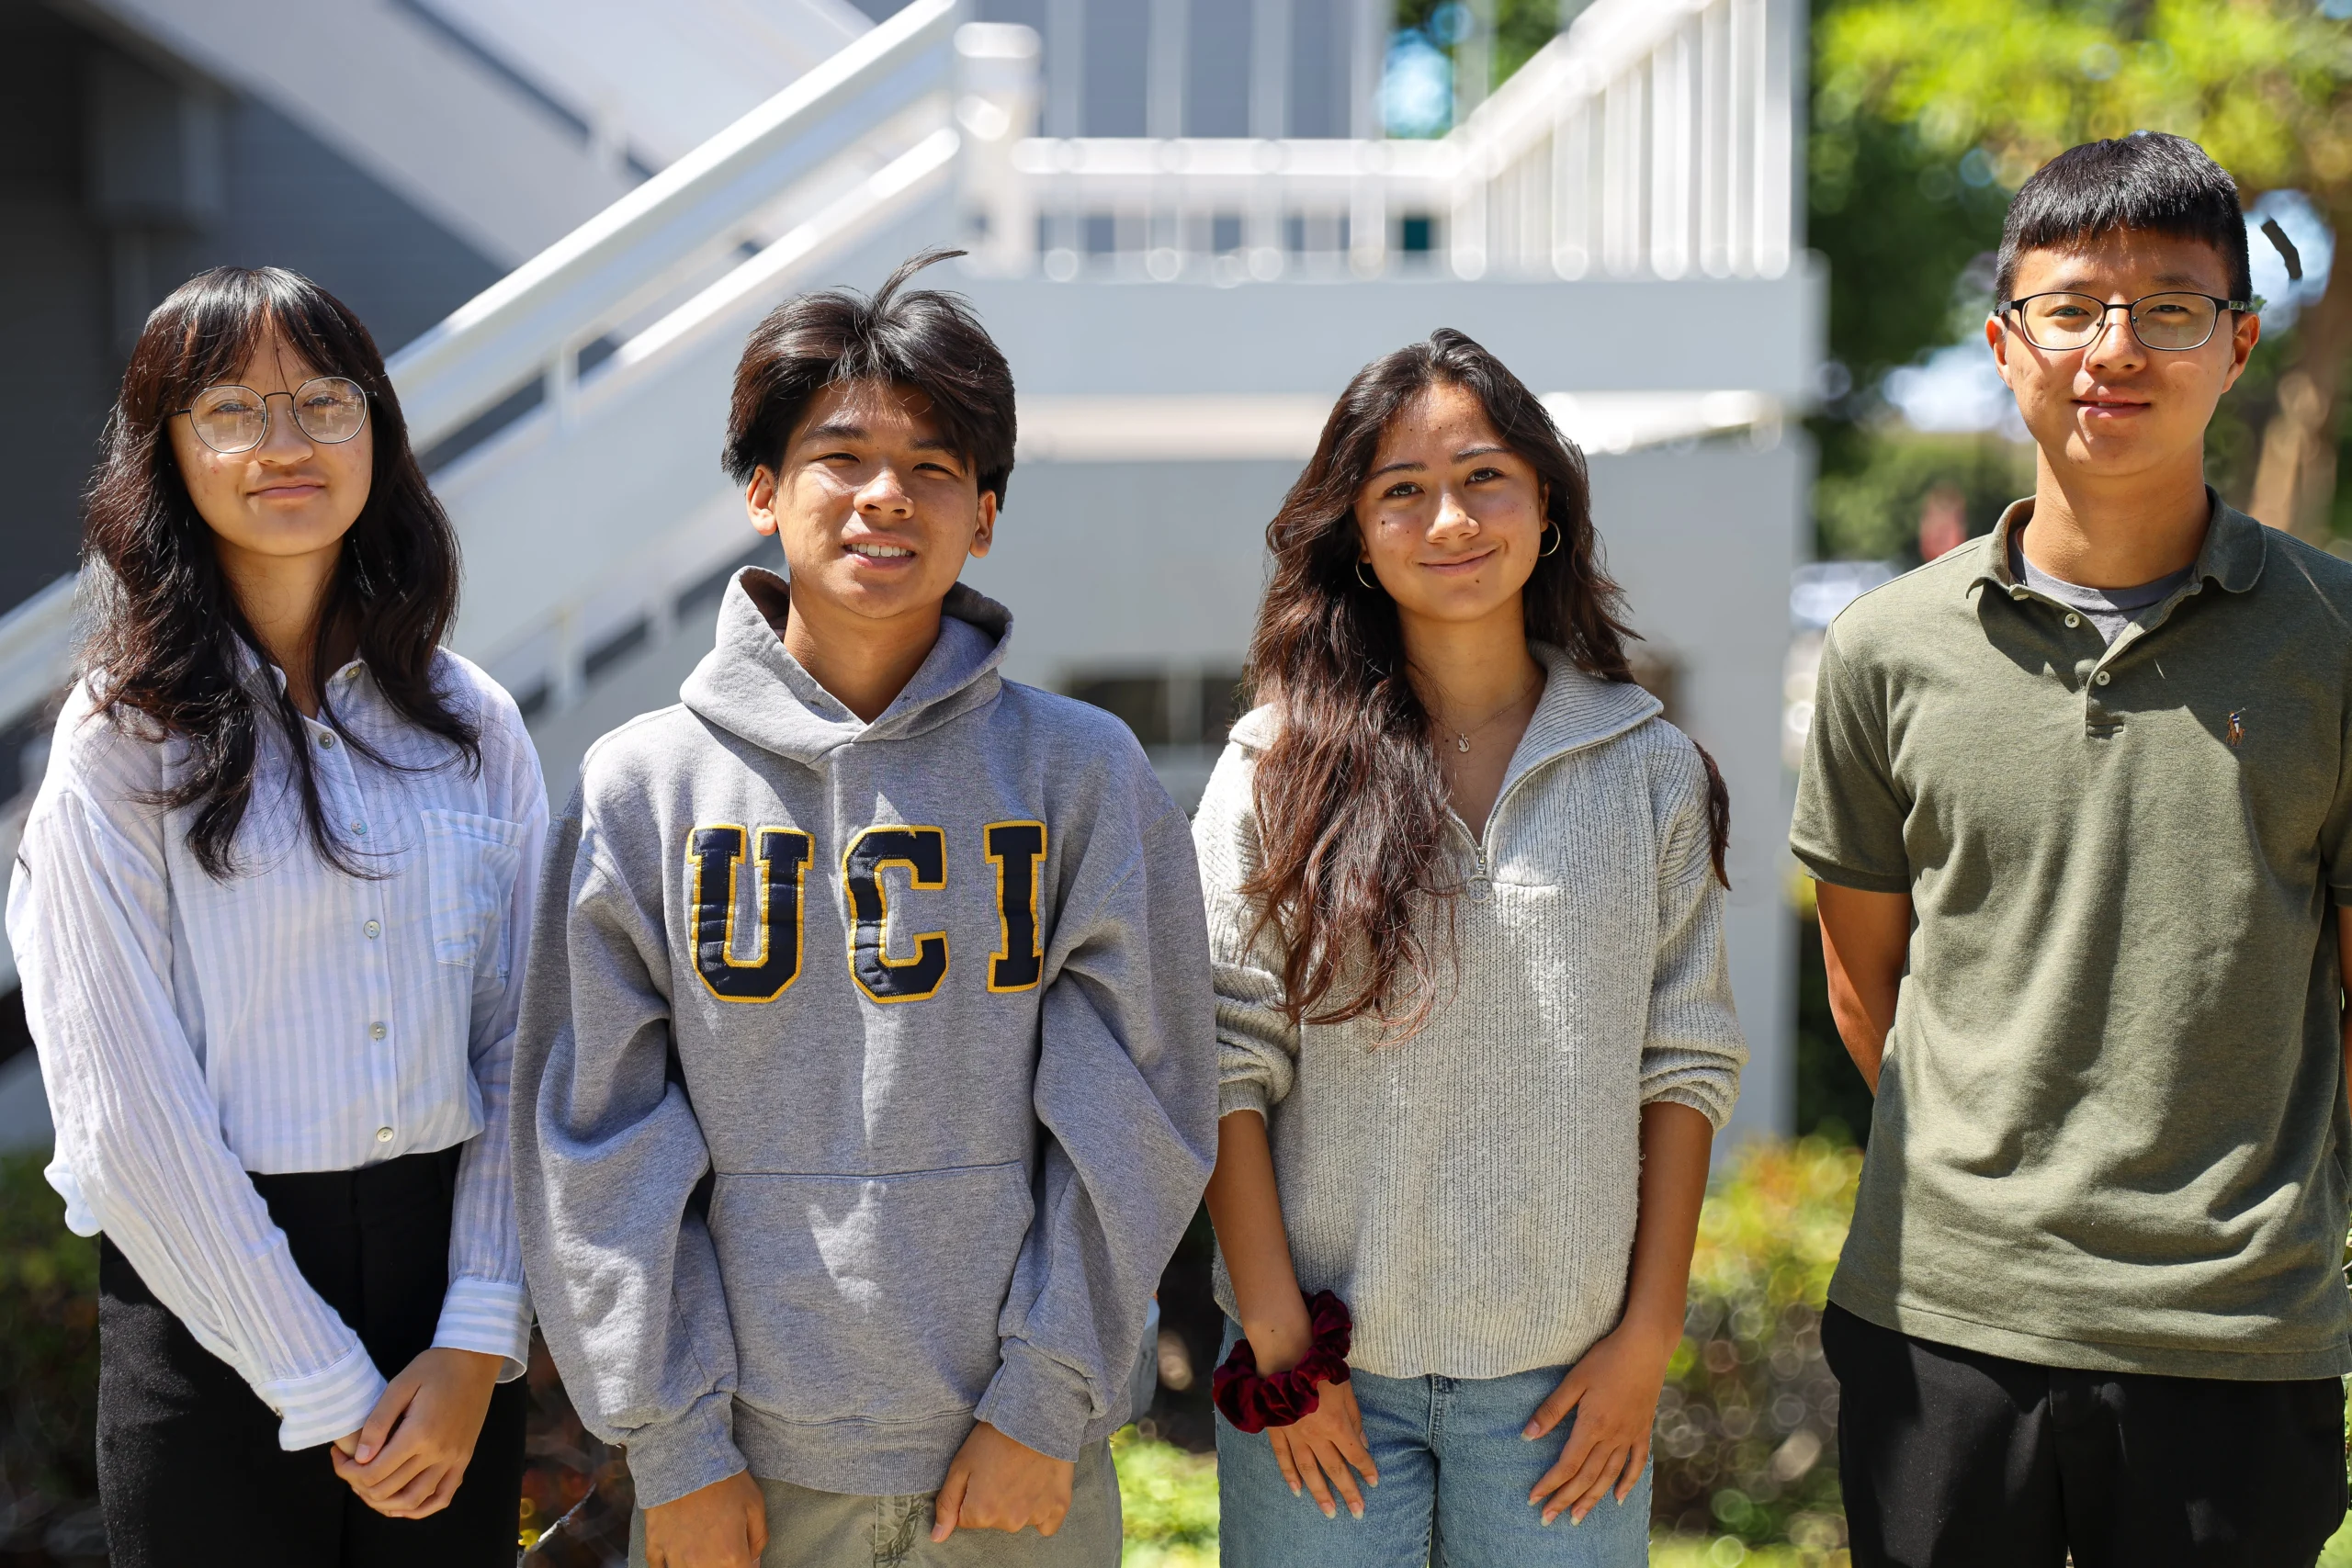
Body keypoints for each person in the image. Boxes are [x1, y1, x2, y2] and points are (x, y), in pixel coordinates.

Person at [508, 249, 1218, 1568]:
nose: (886, 494)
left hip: (1018, 1465)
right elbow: (592, 1136)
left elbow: (1140, 1107)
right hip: (742, 1477)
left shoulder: (1081, 776)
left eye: (934, 467)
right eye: (840, 457)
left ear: (984, 516)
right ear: (763, 493)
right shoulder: (641, 789)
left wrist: (1045, 1397)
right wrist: (677, 1443)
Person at [1793, 130, 2352, 1567]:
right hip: (1940, 1325)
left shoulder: (2335, 641)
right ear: (2003, 341)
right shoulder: (1885, 649)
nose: (2117, 347)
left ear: (2238, 345)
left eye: (2170, 307)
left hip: (2236, 1337)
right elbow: (1866, 984)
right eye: (2072, 307)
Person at [6, 266, 543, 1566]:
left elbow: (529, 1046)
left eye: (323, 401)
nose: (285, 442)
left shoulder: (473, 725)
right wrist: (329, 1385)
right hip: (211, 1329)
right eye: (232, 411)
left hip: (445, 1343)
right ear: (168, 454)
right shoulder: (120, 742)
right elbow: (124, 1114)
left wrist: (478, 1338)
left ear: (378, 432)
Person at [1193, 328, 1747, 1568]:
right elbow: (1221, 1062)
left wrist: (1646, 1340)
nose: (1449, 519)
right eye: (1402, 489)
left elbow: (1686, 1062)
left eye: (1484, 476)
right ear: (1356, 533)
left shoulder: (1647, 767)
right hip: (1323, 1378)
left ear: (1547, 504)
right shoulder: (1273, 769)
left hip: (1566, 1390)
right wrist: (1283, 1352)